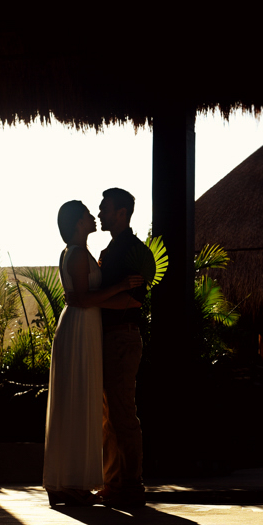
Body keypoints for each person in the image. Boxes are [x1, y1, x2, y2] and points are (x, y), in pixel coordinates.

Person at [44, 200, 142, 507]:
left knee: (82, 404)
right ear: (77, 222)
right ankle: (70, 481)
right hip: (80, 325)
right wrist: (121, 288)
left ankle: (71, 480)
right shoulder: (76, 253)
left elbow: (83, 296)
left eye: (97, 211)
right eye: (88, 213)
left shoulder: (84, 253)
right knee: (78, 404)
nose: (94, 216)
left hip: (86, 326)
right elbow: (84, 299)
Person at [96, 187, 156, 508]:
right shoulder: (110, 249)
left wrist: (93, 301)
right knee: (109, 413)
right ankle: (113, 482)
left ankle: (132, 484)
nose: (100, 213)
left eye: (105, 208)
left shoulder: (135, 252)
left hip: (123, 336)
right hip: (109, 336)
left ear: (122, 213)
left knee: (122, 411)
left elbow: (133, 299)